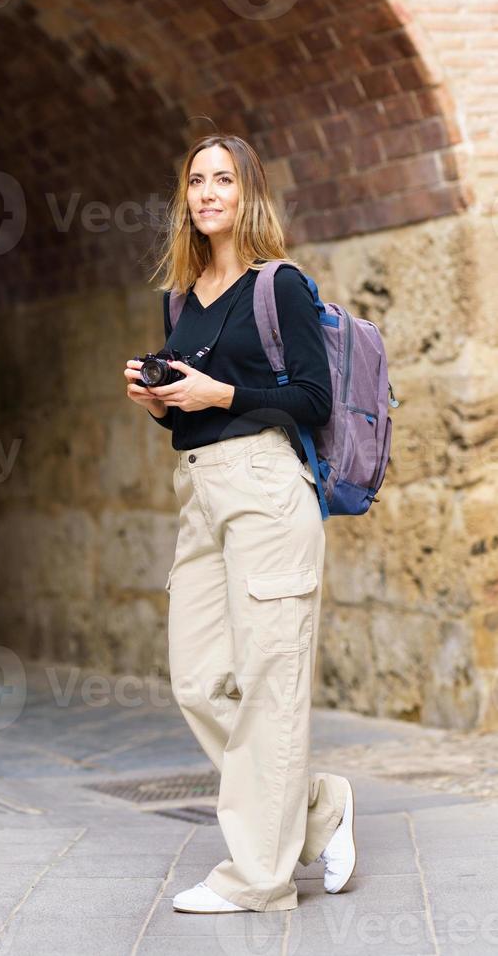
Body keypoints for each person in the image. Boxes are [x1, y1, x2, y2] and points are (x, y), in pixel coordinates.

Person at [124, 134, 356, 914]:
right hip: (202, 495)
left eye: (223, 179)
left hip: (266, 490)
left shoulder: (277, 285)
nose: (207, 192)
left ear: (247, 192)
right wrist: (163, 401)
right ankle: (317, 804)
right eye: (196, 180)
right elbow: (187, 419)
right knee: (197, 681)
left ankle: (259, 880)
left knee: (269, 685)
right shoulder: (180, 298)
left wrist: (220, 395)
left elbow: (314, 402)